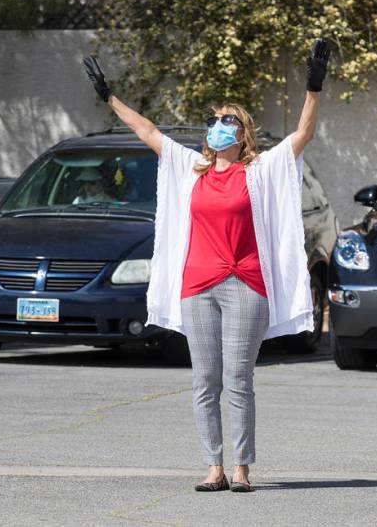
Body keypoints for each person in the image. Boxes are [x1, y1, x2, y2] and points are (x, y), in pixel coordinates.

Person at [82, 39, 329, 493]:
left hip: (245, 285)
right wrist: (109, 97)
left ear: (243, 133)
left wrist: (313, 88)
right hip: (197, 286)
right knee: (204, 380)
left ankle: (242, 468)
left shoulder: (260, 171)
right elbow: (149, 132)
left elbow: (303, 136)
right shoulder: (190, 167)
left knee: (238, 379)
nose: (218, 125)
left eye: (227, 120)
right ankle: (213, 467)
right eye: (214, 120)